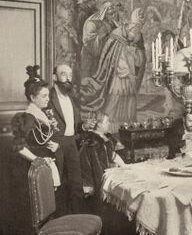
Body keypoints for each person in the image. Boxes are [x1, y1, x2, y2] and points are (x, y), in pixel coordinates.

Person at [9, 66, 63, 233]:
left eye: (48, 95)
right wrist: (36, 160)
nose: (48, 99)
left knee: (47, 207)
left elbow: (36, 139)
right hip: (31, 168)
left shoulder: (40, 113)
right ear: (32, 97)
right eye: (44, 96)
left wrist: (50, 145)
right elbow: (18, 146)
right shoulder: (27, 117)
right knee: (37, 209)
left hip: (43, 164)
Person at [81, 7, 147, 132]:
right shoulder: (118, 34)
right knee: (116, 96)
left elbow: (140, 57)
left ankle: (128, 124)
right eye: (133, 31)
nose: (134, 35)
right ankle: (109, 125)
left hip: (130, 72)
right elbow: (112, 54)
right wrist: (128, 58)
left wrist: (135, 53)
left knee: (129, 97)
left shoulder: (133, 38)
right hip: (120, 71)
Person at [50, 64, 95, 214]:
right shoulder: (48, 98)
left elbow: (75, 126)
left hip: (71, 144)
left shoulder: (71, 98)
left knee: (76, 184)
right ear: (54, 77)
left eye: (70, 74)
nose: (68, 78)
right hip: (56, 145)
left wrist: (84, 126)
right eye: (63, 74)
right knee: (58, 186)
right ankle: (60, 224)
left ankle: (78, 219)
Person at [79, 112, 125, 211]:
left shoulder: (104, 137)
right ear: (99, 124)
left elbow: (112, 155)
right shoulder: (93, 142)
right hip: (99, 181)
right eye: (106, 121)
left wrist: (125, 166)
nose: (109, 123)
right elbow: (97, 168)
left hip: (108, 174)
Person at [81, 1, 117, 78]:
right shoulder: (92, 22)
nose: (113, 16)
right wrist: (101, 35)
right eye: (110, 14)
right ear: (105, 12)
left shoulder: (111, 23)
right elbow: (88, 40)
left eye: (113, 13)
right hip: (91, 57)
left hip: (105, 56)